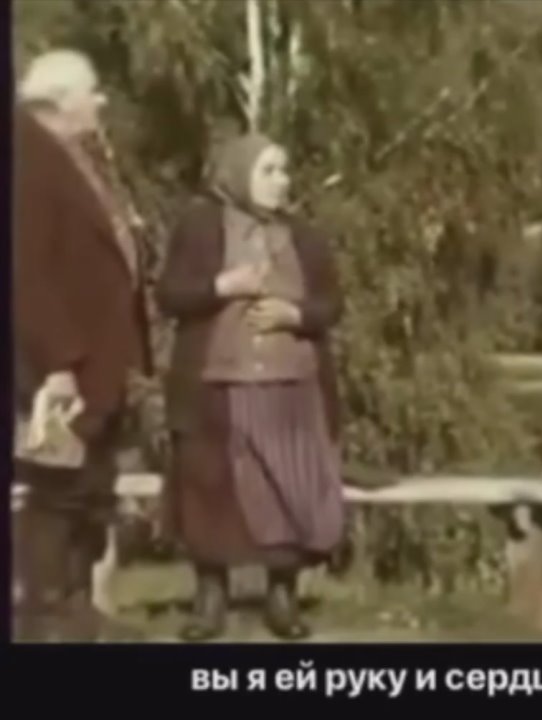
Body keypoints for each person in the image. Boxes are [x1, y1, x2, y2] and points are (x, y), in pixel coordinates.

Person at [157, 133, 345, 641]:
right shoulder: (200, 226)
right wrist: (222, 287)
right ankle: (209, 600)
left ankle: (282, 598)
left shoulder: (304, 236)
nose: (281, 181)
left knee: (289, 489)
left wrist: (295, 315)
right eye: (268, 170)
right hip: (214, 387)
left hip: (291, 389)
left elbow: (332, 303)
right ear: (238, 174)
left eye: (284, 170)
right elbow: (169, 296)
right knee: (210, 491)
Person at [13, 49, 151, 641]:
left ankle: (74, 612)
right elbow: (25, 272)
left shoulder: (64, 154)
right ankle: (48, 621)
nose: (101, 101)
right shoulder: (26, 158)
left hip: (94, 364)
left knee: (86, 491)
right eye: (92, 91)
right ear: (60, 99)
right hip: (58, 371)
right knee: (55, 493)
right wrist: (59, 363)